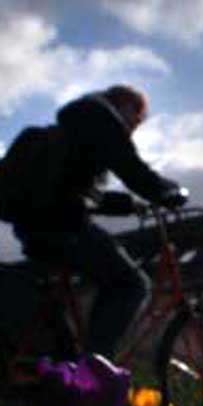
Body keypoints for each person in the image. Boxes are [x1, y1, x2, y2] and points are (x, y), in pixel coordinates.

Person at [0, 85, 187, 357]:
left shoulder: (72, 130)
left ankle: (65, 363)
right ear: (124, 106)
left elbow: (82, 193)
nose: (133, 130)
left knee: (63, 297)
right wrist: (170, 193)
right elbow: (132, 170)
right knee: (130, 284)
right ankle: (96, 367)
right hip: (62, 228)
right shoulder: (100, 119)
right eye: (135, 121)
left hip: (36, 229)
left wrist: (130, 205)